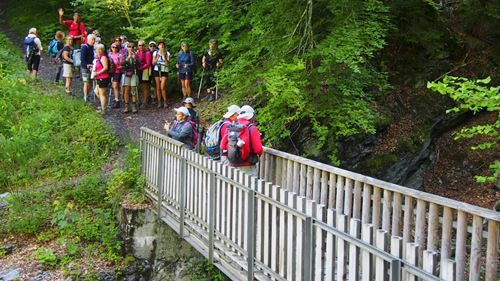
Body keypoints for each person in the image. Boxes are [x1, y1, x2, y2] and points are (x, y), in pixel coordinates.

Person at [220, 105, 263, 177]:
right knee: (249, 187)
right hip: (247, 165)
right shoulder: (251, 127)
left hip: (232, 164)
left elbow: (222, 145)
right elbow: (258, 150)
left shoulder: (232, 126)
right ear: (251, 116)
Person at [92, 44, 111, 114]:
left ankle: (103, 109)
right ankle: (103, 105)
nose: (97, 51)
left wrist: (97, 73)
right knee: (96, 91)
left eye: (99, 49)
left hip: (103, 78)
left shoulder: (103, 57)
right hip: (99, 77)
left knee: (102, 94)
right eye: (96, 49)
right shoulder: (98, 57)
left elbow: (105, 67)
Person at [121, 42, 139, 113]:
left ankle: (134, 106)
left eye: (132, 47)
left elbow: (139, 65)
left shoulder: (136, 55)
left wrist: (135, 59)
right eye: (129, 47)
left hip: (134, 74)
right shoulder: (124, 55)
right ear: (127, 47)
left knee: (133, 90)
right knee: (126, 90)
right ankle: (126, 106)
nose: (130, 48)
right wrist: (127, 59)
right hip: (126, 74)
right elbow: (121, 64)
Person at [152, 40, 170, 108]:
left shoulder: (167, 53)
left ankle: (165, 101)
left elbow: (168, 63)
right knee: (158, 87)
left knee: (162, 86)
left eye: (163, 45)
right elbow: (153, 63)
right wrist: (158, 56)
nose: (161, 46)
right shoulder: (155, 53)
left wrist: (164, 56)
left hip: (164, 70)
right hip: (157, 70)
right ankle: (159, 101)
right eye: (160, 45)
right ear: (158, 46)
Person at [80, 34, 96, 102]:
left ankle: (88, 94)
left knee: (91, 82)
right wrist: (87, 64)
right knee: (86, 82)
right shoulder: (84, 47)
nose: (93, 41)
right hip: (85, 67)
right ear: (88, 40)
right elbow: (82, 58)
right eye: (92, 39)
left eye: (94, 40)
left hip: (93, 67)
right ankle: (85, 96)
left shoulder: (94, 48)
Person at [136, 40, 152, 107]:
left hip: (145, 70)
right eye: (140, 45)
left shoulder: (147, 53)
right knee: (138, 86)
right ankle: (139, 100)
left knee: (145, 86)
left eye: (142, 45)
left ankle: (145, 101)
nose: (141, 46)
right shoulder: (137, 52)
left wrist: (141, 68)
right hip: (138, 70)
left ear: (145, 45)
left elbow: (148, 64)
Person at [109, 42, 123, 108]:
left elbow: (122, 65)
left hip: (117, 72)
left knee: (115, 86)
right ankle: (116, 98)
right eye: (113, 47)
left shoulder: (119, 55)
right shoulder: (109, 55)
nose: (114, 49)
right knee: (114, 86)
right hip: (111, 72)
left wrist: (117, 67)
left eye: (116, 47)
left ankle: (117, 100)